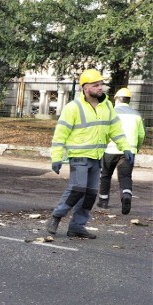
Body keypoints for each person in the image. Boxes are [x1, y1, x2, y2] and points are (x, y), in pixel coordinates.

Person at [46, 69, 132, 239]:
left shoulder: (107, 105)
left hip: (97, 157)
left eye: (101, 84)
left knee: (91, 194)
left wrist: (125, 147)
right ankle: (56, 217)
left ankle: (77, 226)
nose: (100, 88)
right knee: (77, 189)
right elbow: (60, 134)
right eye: (96, 85)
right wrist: (56, 157)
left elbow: (116, 129)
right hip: (79, 156)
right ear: (85, 88)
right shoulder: (73, 107)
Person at [97, 87, 145, 214]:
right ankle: (126, 196)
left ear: (116, 99)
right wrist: (136, 148)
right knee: (125, 176)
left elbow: (103, 131)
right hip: (128, 151)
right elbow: (141, 135)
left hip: (110, 150)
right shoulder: (136, 115)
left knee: (106, 175)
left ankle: (103, 201)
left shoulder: (110, 112)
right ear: (128, 101)